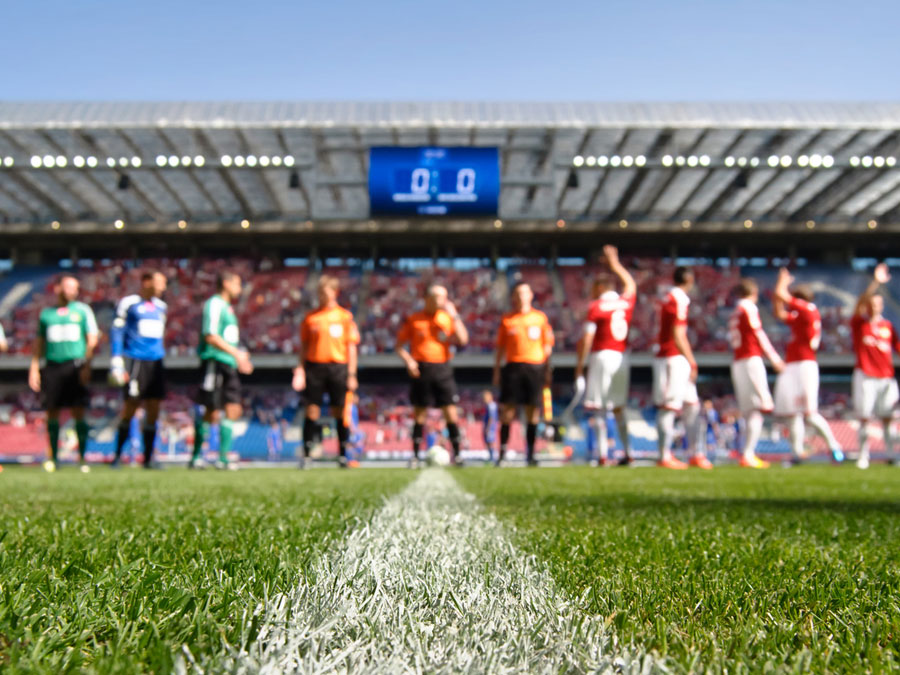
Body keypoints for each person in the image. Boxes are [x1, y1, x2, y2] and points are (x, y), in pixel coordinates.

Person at [28, 275, 99, 473]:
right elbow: (39, 343)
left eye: (75, 288)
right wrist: (34, 367)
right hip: (52, 367)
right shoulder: (46, 315)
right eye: (69, 287)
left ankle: (82, 458)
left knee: (78, 410)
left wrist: (87, 364)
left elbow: (92, 338)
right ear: (58, 288)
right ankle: (53, 458)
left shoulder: (83, 311)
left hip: (75, 366)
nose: (73, 291)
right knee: (52, 410)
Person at [772, 267, 843, 464]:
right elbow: (779, 312)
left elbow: (780, 295)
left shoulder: (808, 309)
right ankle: (797, 453)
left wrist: (783, 281)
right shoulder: (799, 317)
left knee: (809, 413)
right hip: (793, 365)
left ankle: (834, 447)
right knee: (793, 414)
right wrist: (780, 295)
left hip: (805, 365)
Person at [574, 245, 636, 466]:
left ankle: (602, 455)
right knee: (619, 408)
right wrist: (615, 263)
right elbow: (630, 284)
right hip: (621, 357)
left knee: (598, 408)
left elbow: (588, 339)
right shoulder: (624, 303)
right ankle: (628, 452)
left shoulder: (597, 306)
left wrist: (580, 366)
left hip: (602, 356)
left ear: (600, 287)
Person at [395, 284, 468, 467]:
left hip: (442, 367)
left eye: (444, 297)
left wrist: (454, 314)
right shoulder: (414, 319)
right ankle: (415, 456)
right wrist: (409, 361)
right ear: (427, 298)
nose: (443, 301)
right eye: (438, 297)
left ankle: (458, 455)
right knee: (419, 413)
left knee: (450, 412)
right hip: (421, 368)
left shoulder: (447, 318)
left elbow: (463, 339)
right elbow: (399, 346)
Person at [293, 275, 360, 469]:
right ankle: (306, 456)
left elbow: (351, 348)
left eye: (325, 292)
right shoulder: (310, 318)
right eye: (320, 292)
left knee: (339, 411)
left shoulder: (345, 317)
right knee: (312, 410)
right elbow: (304, 347)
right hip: (315, 367)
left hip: (338, 368)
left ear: (334, 292)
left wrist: (352, 374)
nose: (322, 296)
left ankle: (342, 455)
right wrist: (300, 369)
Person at [190, 271, 253, 469]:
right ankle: (197, 456)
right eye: (237, 284)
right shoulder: (215, 304)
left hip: (229, 364)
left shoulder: (228, 308)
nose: (240, 289)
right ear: (226, 283)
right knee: (211, 410)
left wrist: (241, 355)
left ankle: (223, 457)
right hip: (214, 362)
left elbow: (229, 338)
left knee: (233, 407)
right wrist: (237, 354)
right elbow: (210, 336)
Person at [109, 270, 168, 469]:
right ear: (146, 281)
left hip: (156, 362)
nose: (163, 287)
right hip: (135, 361)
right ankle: (117, 455)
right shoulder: (129, 303)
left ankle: (148, 458)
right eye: (160, 282)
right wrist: (117, 360)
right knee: (131, 407)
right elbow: (117, 331)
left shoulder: (161, 307)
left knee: (154, 409)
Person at [493, 282, 554, 466]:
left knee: (532, 412)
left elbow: (547, 346)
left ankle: (531, 454)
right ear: (513, 297)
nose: (521, 296)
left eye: (524, 292)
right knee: (508, 412)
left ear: (531, 295)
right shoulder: (507, 319)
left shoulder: (540, 318)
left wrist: (547, 369)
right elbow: (500, 348)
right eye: (518, 293)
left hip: (535, 367)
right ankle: (502, 453)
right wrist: (497, 370)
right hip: (513, 367)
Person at [653, 267, 708, 469]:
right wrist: (691, 360)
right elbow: (678, 333)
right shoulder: (679, 298)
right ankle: (664, 455)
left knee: (692, 405)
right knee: (669, 407)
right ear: (690, 280)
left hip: (672, 357)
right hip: (672, 358)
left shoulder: (668, 296)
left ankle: (696, 453)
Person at [728, 278, 784, 469]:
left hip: (738, 361)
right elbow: (758, 333)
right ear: (754, 292)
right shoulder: (748, 308)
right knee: (757, 409)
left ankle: (746, 452)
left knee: (748, 410)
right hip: (750, 360)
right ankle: (748, 454)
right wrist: (774, 358)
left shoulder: (735, 311)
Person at [850, 263, 900, 469]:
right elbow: (860, 302)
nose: (874, 307)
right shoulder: (858, 324)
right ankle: (864, 456)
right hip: (865, 375)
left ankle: (891, 454)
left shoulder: (887, 327)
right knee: (864, 418)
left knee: (888, 418)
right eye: (871, 304)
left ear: (882, 306)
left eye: (878, 304)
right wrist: (876, 283)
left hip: (886, 378)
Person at [482, 390, 499, 461]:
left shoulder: (491, 405)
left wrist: (488, 428)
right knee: (488, 441)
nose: (484, 399)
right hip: (490, 426)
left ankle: (492, 458)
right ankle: (491, 456)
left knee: (490, 442)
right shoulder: (490, 405)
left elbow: (491, 418)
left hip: (490, 427)